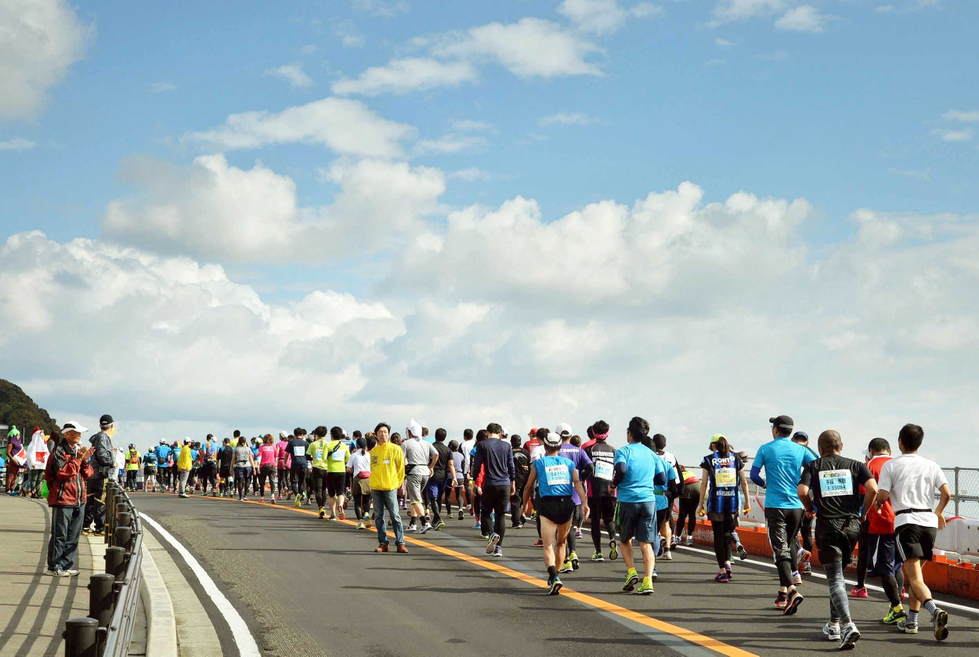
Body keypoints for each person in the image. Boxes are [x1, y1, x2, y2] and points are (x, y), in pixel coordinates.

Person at [799, 430, 876, 648]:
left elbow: (802, 490)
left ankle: (848, 624)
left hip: (827, 526)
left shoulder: (813, 466)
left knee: (834, 579)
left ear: (820, 449)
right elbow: (873, 489)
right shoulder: (856, 465)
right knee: (839, 577)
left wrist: (809, 508)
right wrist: (864, 512)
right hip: (851, 526)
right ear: (841, 446)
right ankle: (833, 624)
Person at [877, 423, 951, 641]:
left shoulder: (891, 465)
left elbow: (881, 496)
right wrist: (938, 512)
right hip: (928, 523)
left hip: (907, 522)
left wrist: (878, 505)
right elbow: (946, 493)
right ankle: (911, 621)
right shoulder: (931, 465)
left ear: (900, 442)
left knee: (915, 578)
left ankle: (934, 610)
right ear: (920, 442)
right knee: (916, 577)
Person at [750, 415, 815, 610]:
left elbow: (753, 475)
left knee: (780, 550)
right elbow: (816, 466)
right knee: (789, 546)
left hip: (775, 506)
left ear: (776, 429)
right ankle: (782, 594)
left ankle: (792, 591)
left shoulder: (765, 448)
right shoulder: (801, 450)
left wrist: (766, 483)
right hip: (796, 506)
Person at [522, 428, 588, 595]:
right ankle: (556, 576)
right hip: (567, 504)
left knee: (548, 545)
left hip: (547, 505)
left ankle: (553, 576)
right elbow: (577, 483)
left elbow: (529, 486)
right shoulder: (569, 464)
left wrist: (524, 504)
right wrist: (585, 503)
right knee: (562, 544)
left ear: (545, 447)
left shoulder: (538, 463)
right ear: (560, 447)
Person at [611, 417, 661, 595]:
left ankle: (631, 571)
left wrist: (614, 485)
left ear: (629, 433)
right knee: (646, 542)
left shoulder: (623, 451)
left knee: (625, 539)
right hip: (648, 500)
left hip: (628, 500)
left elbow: (621, 470)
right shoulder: (652, 454)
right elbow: (661, 478)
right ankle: (648, 581)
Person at [862, 438, 906, 625]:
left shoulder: (870, 465)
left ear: (872, 450)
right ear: (889, 449)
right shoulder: (899, 464)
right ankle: (896, 605)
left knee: (885, 568)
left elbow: (864, 492)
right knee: (897, 565)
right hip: (903, 521)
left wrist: (863, 514)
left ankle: (896, 608)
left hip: (882, 522)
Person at [44, 421, 95, 577]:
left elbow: (88, 474)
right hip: (63, 498)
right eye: (76, 432)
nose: (80, 435)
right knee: (60, 534)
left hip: (79, 498)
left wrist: (85, 461)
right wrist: (78, 460)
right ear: (68, 434)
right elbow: (62, 473)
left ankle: (66, 564)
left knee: (73, 534)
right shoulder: (59, 451)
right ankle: (55, 566)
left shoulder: (77, 451)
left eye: (80, 432)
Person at [698, 435, 750, 583]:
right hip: (733, 504)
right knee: (728, 535)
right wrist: (747, 502)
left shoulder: (708, 459)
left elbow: (704, 484)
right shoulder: (736, 459)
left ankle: (722, 570)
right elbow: (744, 483)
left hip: (716, 503)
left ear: (714, 446)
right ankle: (728, 563)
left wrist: (700, 503)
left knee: (718, 536)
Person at [473, 423, 516, 558]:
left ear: (487, 432)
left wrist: (475, 482)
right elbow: (511, 465)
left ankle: (491, 534)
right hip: (505, 483)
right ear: (500, 433)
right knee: (500, 515)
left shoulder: (482, 445)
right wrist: (513, 482)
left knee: (485, 512)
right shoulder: (507, 445)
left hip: (490, 483)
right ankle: (498, 548)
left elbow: (477, 466)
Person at [556, 423, 592, 572]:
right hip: (577, 492)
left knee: (561, 527)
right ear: (570, 435)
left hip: (560, 492)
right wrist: (580, 477)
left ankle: (565, 560)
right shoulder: (579, 450)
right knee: (571, 525)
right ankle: (573, 552)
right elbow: (590, 467)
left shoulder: (556, 451)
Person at [369, 423, 407, 553]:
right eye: (380, 432)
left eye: (385, 432)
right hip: (376, 487)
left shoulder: (396, 449)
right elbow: (372, 468)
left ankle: (400, 542)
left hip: (390, 487)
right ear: (376, 435)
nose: (383, 434)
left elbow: (401, 469)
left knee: (395, 515)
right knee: (379, 516)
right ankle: (383, 542)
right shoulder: (373, 451)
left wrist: (397, 484)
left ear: (389, 434)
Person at [583, 420, 617, 562]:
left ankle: (598, 552)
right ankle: (612, 538)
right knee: (609, 519)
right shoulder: (614, 450)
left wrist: (582, 479)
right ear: (607, 433)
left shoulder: (589, 450)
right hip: (611, 491)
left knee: (595, 521)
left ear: (594, 433)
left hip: (594, 491)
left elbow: (586, 468)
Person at [403, 419, 438, 533]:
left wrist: (403, 471)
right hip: (425, 472)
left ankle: (424, 522)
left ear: (409, 432)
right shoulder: (426, 443)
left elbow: (402, 459)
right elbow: (436, 454)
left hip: (413, 472)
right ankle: (413, 523)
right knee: (416, 498)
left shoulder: (406, 443)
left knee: (415, 499)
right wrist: (431, 467)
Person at [792, 431, 818, 576]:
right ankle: (807, 563)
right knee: (807, 531)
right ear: (807, 442)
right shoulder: (813, 455)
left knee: (792, 532)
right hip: (810, 498)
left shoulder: (791, 452)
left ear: (792, 440)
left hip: (794, 499)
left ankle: (798, 558)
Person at [84, 415, 115, 534]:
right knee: (100, 501)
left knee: (91, 501)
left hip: (93, 473)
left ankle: (86, 525)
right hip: (101, 474)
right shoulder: (103, 437)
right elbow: (102, 455)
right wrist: (112, 462)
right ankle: (100, 527)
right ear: (111, 426)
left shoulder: (98, 437)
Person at [652, 434, 681, 557]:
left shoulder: (650, 457)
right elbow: (677, 478)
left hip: (652, 494)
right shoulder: (670, 457)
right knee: (666, 522)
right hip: (667, 494)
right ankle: (668, 549)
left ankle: (657, 539)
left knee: (652, 523)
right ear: (665, 444)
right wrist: (674, 494)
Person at [426, 428, 456, 530]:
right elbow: (451, 464)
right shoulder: (448, 450)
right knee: (438, 498)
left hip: (432, 474)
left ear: (435, 436)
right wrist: (454, 477)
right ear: (445, 437)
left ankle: (438, 518)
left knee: (433, 497)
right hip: (443, 476)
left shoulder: (431, 447)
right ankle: (436, 519)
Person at [348, 437, 372, 529]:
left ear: (357, 446)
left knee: (357, 502)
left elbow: (349, 469)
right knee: (367, 500)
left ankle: (360, 521)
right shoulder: (369, 455)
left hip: (357, 479)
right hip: (368, 479)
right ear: (366, 446)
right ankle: (366, 513)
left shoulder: (354, 455)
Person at [308, 426, 332, 518]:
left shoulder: (313, 444)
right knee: (324, 489)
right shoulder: (328, 444)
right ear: (325, 434)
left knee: (318, 489)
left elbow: (307, 456)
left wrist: (313, 458)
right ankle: (324, 507)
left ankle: (320, 507)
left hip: (316, 468)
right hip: (326, 468)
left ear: (316, 434)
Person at [675, 465, 701, 547]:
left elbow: (675, 486)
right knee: (692, 514)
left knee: (682, 515)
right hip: (698, 489)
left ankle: (678, 537)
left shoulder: (678, 474)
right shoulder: (690, 473)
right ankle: (689, 538)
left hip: (687, 490)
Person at [510, 435, 531, 529]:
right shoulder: (525, 452)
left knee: (515, 500)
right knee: (523, 499)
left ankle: (516, 521)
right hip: (525, 478)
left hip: (514, 479)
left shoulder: (509, 452)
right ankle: (521, 518)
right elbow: (530, 466)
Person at [287, 428, 310, 507]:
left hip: (294, 464)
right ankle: (300, 495)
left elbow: (287, 454)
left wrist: (284, 463)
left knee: (293, 481)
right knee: (301, 482)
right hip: (304, 464)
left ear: (294, 434)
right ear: (302, 435)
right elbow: (309, 455)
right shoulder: (306, 443)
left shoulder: (291, 443)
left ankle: (297, 495)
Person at [25, 429, 49, 498]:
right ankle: (33, 491)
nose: (43, 436)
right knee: (34, 478)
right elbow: (30, 454)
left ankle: (38, 492)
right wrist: (32, 462)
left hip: (42, 464)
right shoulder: (33, 445)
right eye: (41, 435)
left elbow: (47, 454)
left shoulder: (44, 444)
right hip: (35, 464)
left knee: (39, 479)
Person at [257, 434, 278, 503]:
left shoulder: (261, 447)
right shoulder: (274, 447)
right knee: (272, 481)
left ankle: (262, 497)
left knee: (262, 482)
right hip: (272, 466)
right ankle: (272, 496)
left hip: (264, 466)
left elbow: (259, 458)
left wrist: (258, 467)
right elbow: (275, 458)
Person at [233, 436, 253, 501]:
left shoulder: (236, 449)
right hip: (247, 465)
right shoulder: (248, 449)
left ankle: (240, 497)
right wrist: (254, 468)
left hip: (239, 465)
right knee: (247, 480)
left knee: (240, 481)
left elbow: (233, 459)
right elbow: (251, 459)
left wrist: (231, 467)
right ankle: (245, 495)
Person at [5, 427, 24, 495]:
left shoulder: (19, 444)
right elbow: (8, 452)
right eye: (18, 435)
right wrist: (12, 459)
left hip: (18, 461)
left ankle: (12, 488)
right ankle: (8, 488)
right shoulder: (11, 443)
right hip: (13, 462)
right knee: (11, 475)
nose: (19, 436)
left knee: (15, 476)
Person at [276, 432, 291, 500]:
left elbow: (276, 454)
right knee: (287, 478)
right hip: (288, 462)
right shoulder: (289, 443)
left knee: (280, 479)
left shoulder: (278, 444)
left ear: (281, 436)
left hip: (281, 461)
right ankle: (289, 491)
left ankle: (279, 494)